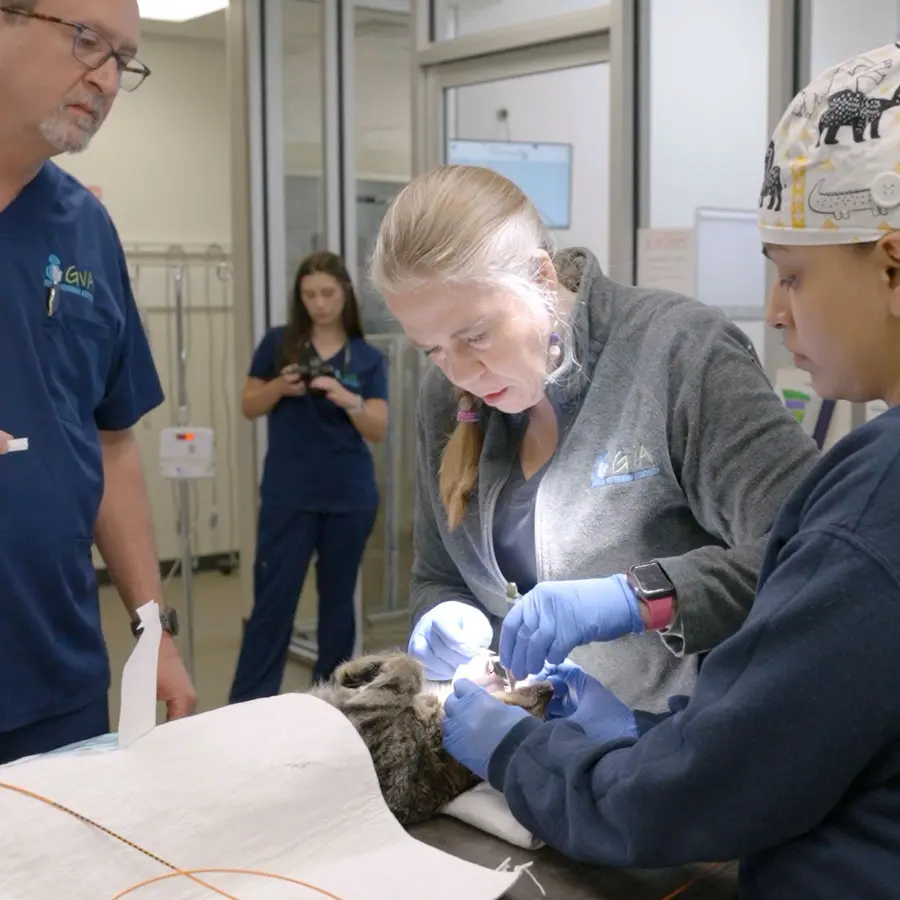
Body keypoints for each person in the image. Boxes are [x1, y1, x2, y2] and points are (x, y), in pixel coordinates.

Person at [440, 42, 900, 898]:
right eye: (436, 348)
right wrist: (656, 732)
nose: (773, 312)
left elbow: (715, 784)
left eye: (792, 276)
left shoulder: (870, 503)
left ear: (892, 264)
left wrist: (526, 751)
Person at [369, 164, 820, 712]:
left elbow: (809, 553)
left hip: (679, 742)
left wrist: (639, 599)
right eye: (432, 349)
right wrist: (441, 616)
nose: (460, 372)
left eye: (476, 335)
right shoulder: (445, 399)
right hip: (528, 751)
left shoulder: (679, 354)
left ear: (539, 277)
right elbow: (439, 574)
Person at [0, 0, 195, 765]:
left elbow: (111, 444)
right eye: (87, 41)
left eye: (124, 58)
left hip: (58, 684)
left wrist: (154, 631)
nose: (107, 77)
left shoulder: (84, 229)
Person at [229, 251, 388, 698]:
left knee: (338, 607)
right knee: (272, 604)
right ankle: (247, 705)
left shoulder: (367, 357)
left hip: (348, 497)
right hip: (289, 495)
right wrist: (281, 386)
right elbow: (248, 405)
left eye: (328, 293)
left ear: (345, 295)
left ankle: (330, 704)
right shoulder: (280, 343)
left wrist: (344, 396)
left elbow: (378, 428)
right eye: (309, 294)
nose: (319, 303)